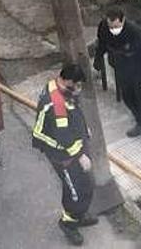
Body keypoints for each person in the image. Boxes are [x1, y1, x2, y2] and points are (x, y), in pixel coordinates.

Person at [32, 63, 99, 246]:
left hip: (69, 150)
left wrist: (83, 129)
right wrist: (80, 155)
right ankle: (69, 223)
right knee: (75, 191)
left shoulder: (57, 86)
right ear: (68, 80)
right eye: (76, 85)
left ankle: (79, 215)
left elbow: (73, 114)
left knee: (85, 183)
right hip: (62, 155)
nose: (78, 89)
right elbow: (63, 136)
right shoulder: (57, 104)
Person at [93, 6, 141, 146]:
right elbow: (102, 44)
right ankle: (140, 123)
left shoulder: (134, 32)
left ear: (123, 21)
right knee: (128, 97)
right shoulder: (104, 28)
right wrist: (98, 60)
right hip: (122, 68)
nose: (113, 30)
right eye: (111, 26)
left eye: (116, 26)